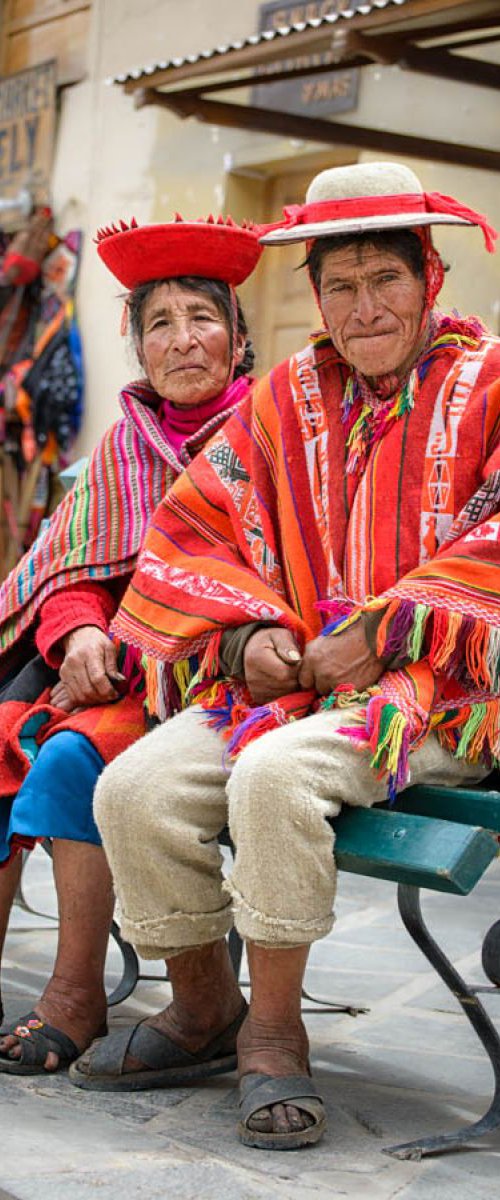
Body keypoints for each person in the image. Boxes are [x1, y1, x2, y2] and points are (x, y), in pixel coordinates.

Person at [69, 162, 500, 1150]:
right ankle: (200, 1008)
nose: (362, 306)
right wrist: (249, 631)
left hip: (440, 696)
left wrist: (390, 623)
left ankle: (273, 1035)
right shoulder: (281, 401)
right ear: (313, 296)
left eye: (382, 279)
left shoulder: (486, 387)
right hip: (301, 693)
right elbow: (198, 528)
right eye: (337, 285)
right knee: (133, 786)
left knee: (269, 778)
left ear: (427, 278)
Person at [0, 212, 262, 1074]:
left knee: (75, 754)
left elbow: (273, 587)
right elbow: (71, 564)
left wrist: (150, 645)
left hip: (213, 682)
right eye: (160, 323)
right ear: (139, 348)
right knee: (4, 738)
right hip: (106, 668)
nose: (184, 341)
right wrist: (75, 630)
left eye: (203, 317)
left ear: (238, 337)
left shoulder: (271, 438)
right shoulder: (122, 449)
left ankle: (74, 999)